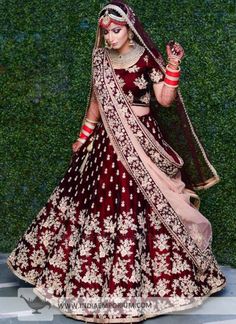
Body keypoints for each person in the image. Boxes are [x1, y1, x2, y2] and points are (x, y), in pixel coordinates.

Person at [7, 0, 226, 322]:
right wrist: (83, 137)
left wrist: (173, 65)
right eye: (106, 32)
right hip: (106, 146)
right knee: (103, 204)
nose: (110, 37)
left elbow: (164, 100)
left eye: (116, 30)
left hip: (144, 143)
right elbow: (96, 104)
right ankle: (92, 282)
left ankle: (160, 282)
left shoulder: (145, 61)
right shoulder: (100, 61)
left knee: (150, 203)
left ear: (129, 28)